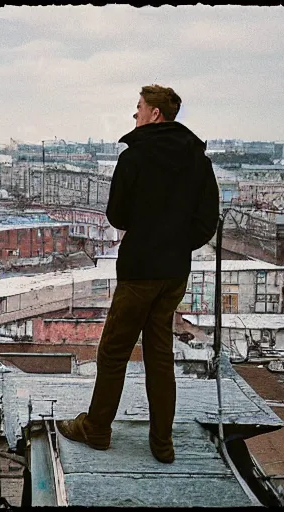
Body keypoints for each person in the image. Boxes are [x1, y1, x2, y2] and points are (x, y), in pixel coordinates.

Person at [57, 84, 220, 463]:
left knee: (113, 351)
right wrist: (178, 244)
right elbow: (206, 220)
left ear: (155, 114)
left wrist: (147, 232)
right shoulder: (199, 160)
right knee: (159, 355)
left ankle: (97, 429)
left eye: (139, 108)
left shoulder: (135, 157)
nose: (135, 114)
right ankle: (162, 443)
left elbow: (117, 216)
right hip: (173, 273)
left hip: (140, 271)